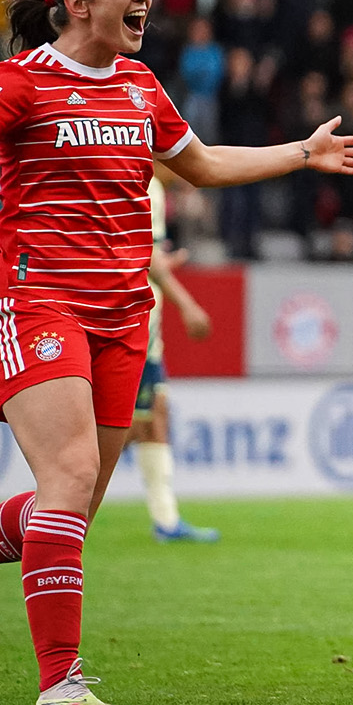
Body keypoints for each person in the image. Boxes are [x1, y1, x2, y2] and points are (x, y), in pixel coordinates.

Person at [0, 0, 353, 705]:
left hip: (123, 314)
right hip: (37, 299)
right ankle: (60, 680)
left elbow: (205, 164)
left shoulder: (142, 87)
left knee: (69, 505)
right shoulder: (21, 79)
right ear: (76, 3)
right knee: (71, 482)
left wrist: (299, 152)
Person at [128, 169, 219, 543]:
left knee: (154, 416)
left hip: (147, 321)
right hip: (135, 320)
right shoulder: (146, 185)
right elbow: (146, 256)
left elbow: (146, 255)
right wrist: (189, 305)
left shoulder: (152, 187)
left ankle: (166, 519)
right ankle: (54, 513)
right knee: (125, 425)